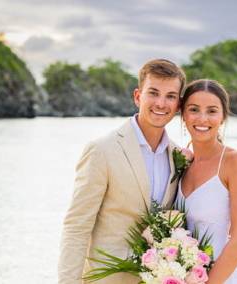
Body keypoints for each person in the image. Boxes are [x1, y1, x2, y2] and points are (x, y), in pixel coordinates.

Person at [58, 59, 186, 284]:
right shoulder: (102, 150)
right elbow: (77, 227)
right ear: (138, 96)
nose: (161, 103)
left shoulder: (179, 157)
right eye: (153, 93)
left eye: (170, 96)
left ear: (178, 104)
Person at [177, 79, 237, 283]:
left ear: (223, 117)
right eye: (194, 109)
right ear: (183, 115)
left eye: (212, 111)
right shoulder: (181, 162)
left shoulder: (235, 161)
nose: (202, 119)